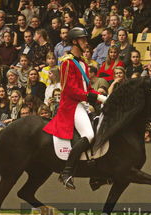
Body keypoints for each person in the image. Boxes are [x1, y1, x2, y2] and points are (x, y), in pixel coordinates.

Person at [43, 27, 107, 190]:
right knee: (89, 134)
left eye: (86, 39)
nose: (86, 42)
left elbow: (86, 89)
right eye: (83, 39)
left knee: (100, 128)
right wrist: (93, 97)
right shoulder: (67, 63)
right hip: (71, 105)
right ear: (74, 41)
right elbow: (70, 90)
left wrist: (102, 98)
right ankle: (67, 172)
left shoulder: (83, 64)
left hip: (83, 103)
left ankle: (97, 173)